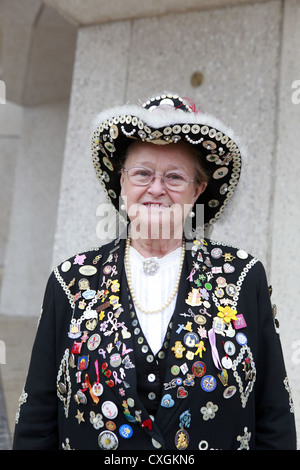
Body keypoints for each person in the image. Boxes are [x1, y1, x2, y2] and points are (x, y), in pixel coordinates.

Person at [13, 93, 297, 450]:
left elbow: (274, 416)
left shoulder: (243, 277)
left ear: (198, 190)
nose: (157, 188)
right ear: (122, 182)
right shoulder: (71, 280)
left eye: (175, 177)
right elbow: (38, 418)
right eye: (143, 173)